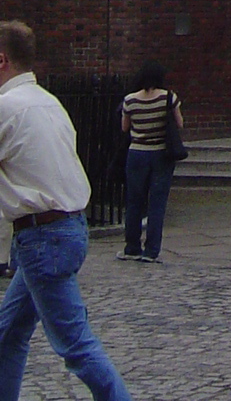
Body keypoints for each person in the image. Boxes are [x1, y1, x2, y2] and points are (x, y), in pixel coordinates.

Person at [0, 20, 133, 401]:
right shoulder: (49, 102)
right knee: (8, 334)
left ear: (1, 60)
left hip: (43, 238)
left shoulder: (7, 107)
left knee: (75, 345)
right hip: (66, 228)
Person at [119, 63, 183, 262]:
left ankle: (132, 247)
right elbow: (179, 123)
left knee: (134, 202)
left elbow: (124, 128)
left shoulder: (130, 100)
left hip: (137, 154)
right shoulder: (168, 98)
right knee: (157, 203)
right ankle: (151, 250)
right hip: (161, 154)